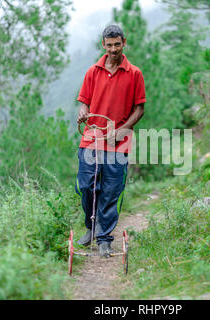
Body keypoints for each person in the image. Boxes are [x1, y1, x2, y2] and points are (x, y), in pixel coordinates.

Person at [75, 25, 146, 258]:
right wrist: (83, 112)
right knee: (86, 186)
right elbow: (84, 101)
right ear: (103, 45)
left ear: (124, 42)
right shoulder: (92, 72)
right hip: (91, 139)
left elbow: (140, 109)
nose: (113, 49)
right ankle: (91, 226)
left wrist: (124, 129)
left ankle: (104, 238)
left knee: (111, 191)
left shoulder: (134, 73)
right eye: (109, 45)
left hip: (118, 142)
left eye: (117, 44)